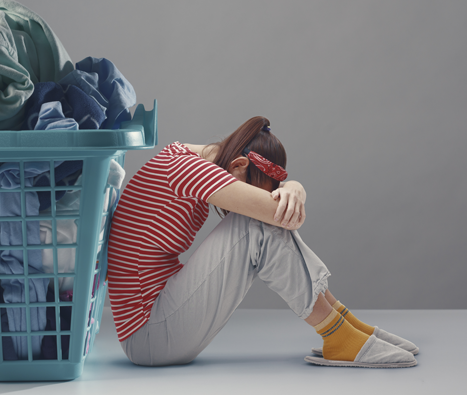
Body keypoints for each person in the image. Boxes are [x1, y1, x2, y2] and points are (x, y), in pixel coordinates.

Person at [107, 116, 418, 368]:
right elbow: (286, 217)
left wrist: (291, 189)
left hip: (161, 317)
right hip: (149, 335)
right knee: (254, 222)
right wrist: (296, 189)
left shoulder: (184, 159)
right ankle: (338, 334)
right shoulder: (189, 170)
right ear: (239, 166)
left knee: (259, 218)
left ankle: (345, 326)